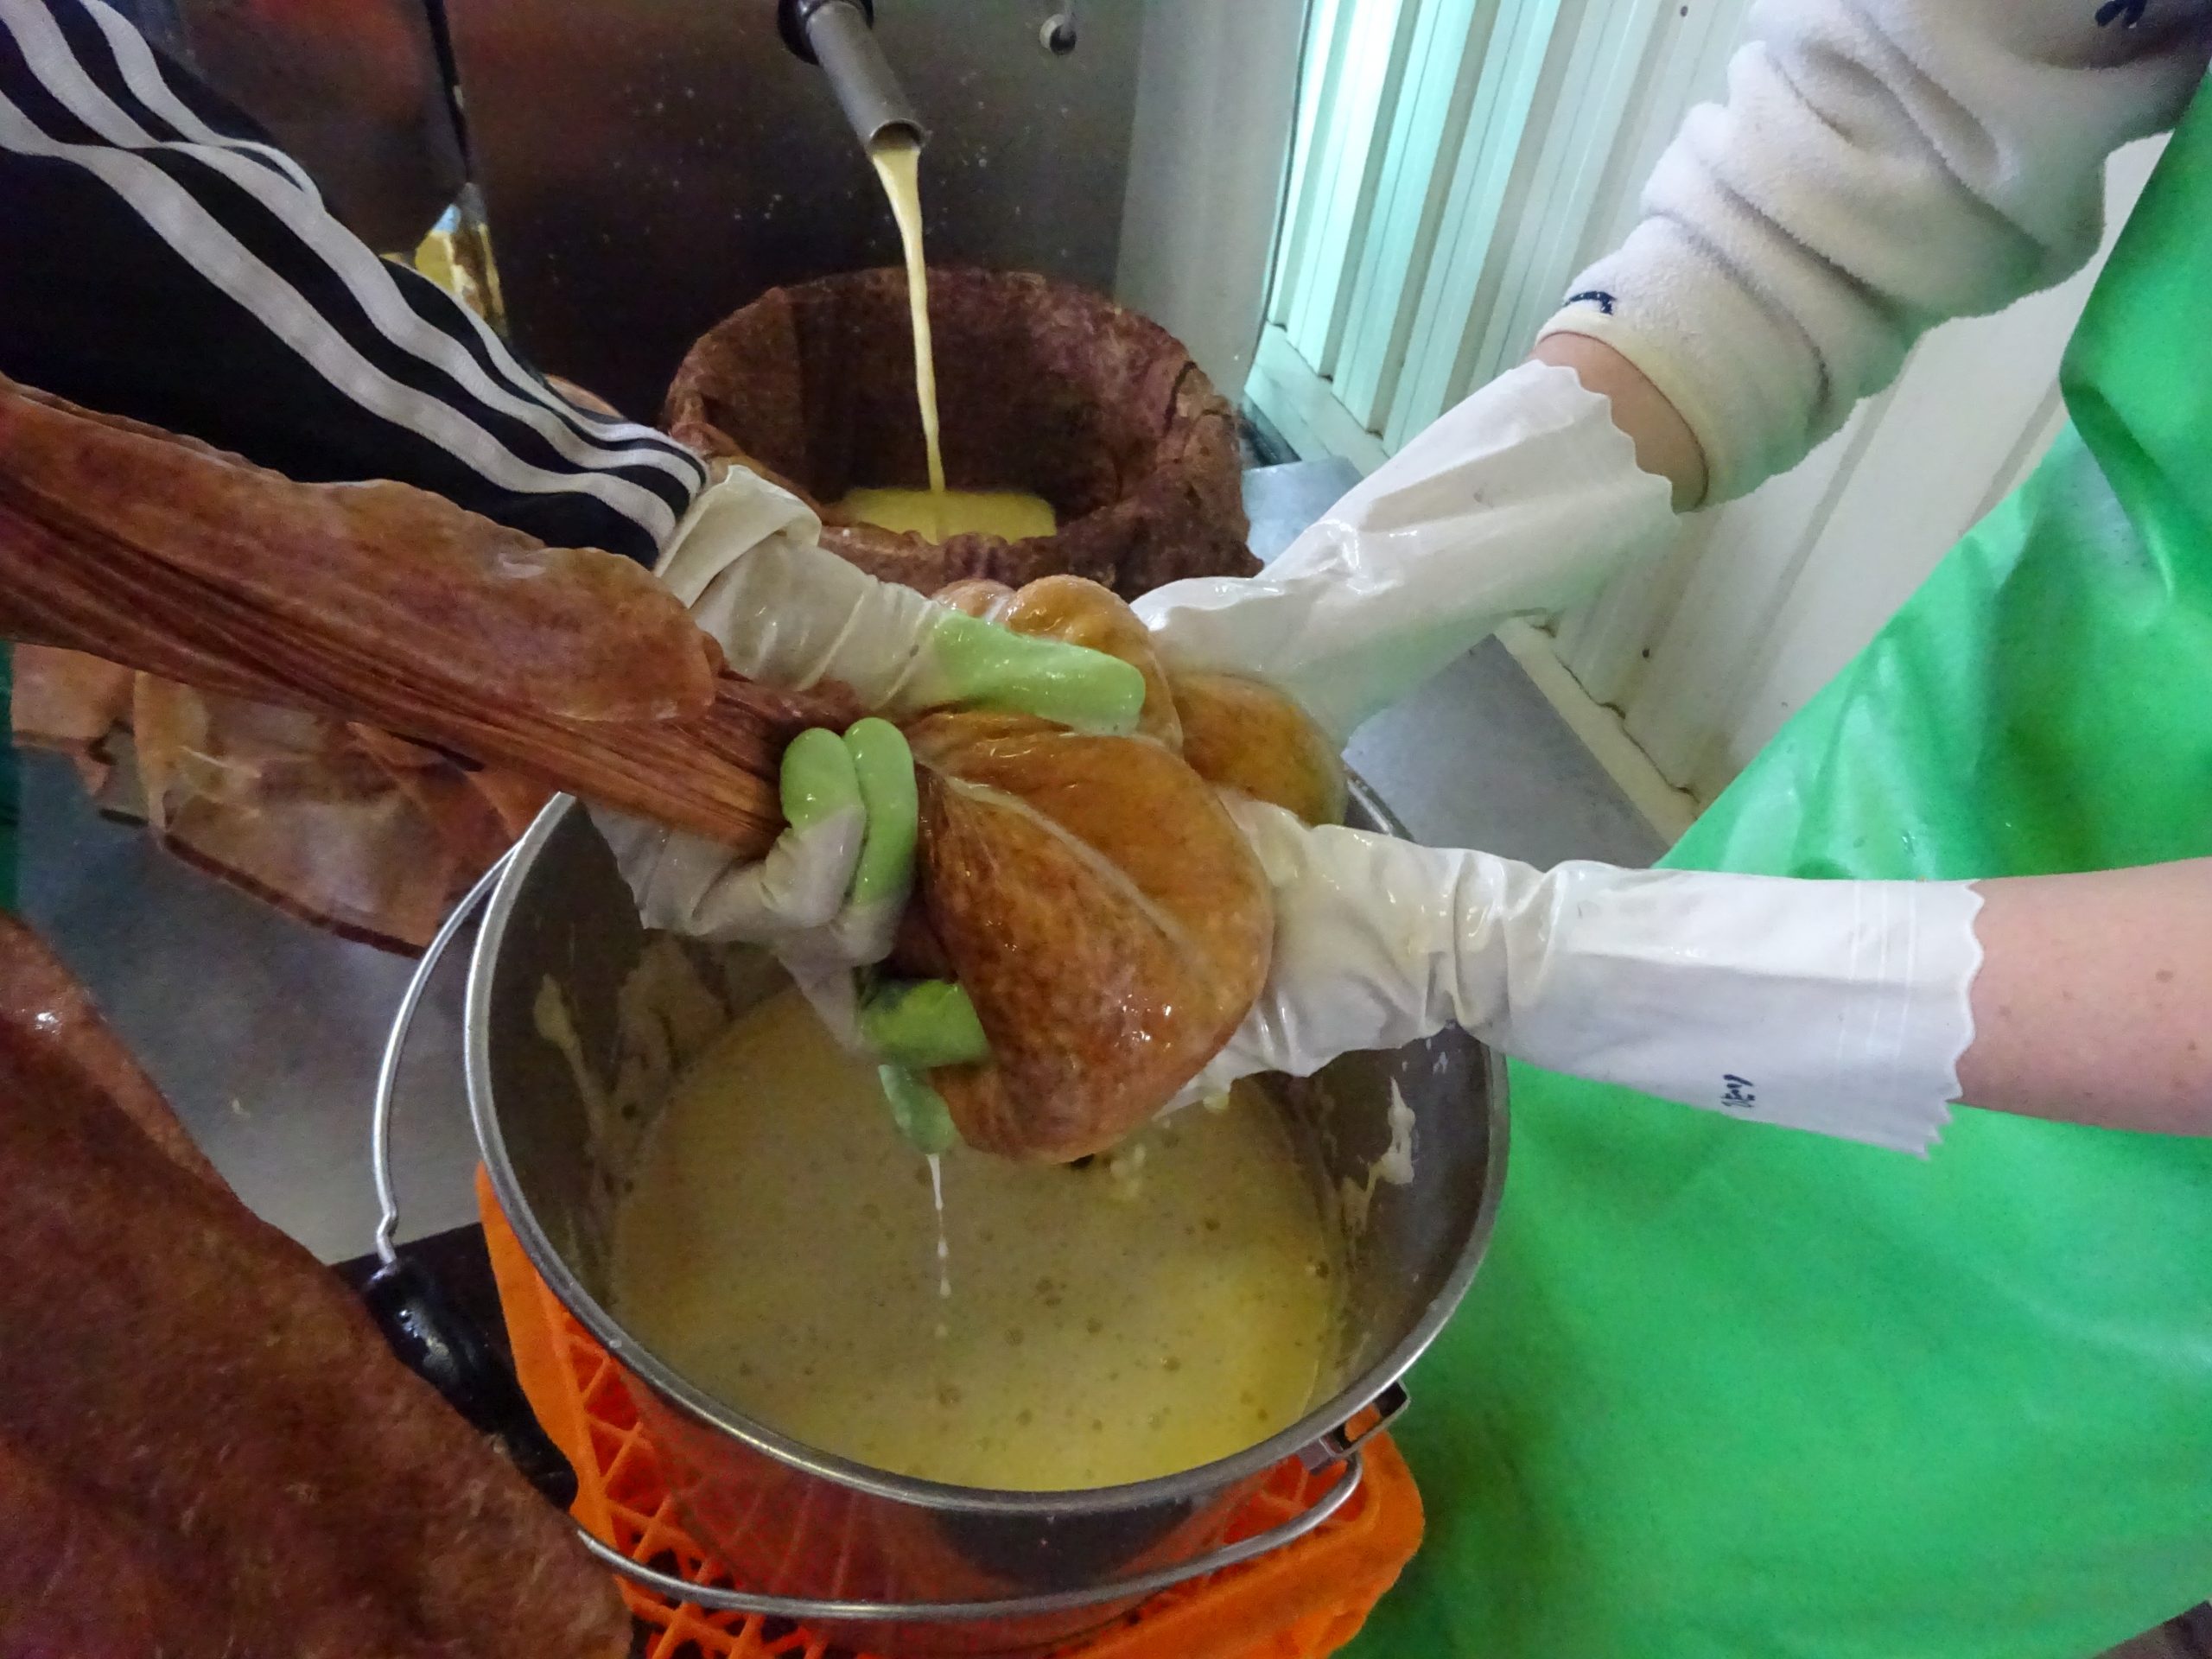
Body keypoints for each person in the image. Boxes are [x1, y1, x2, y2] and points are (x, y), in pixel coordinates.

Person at [7, 0, 2209, 1649]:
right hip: (1919, 828)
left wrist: (1495, 954)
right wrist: (1360, 593)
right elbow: (1900, 129)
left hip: (2116, 1294)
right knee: (1464, 1447)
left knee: (1663, 1584)